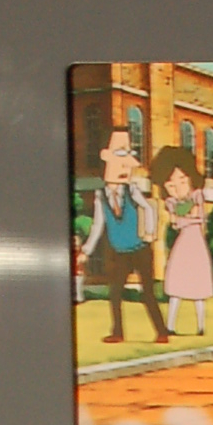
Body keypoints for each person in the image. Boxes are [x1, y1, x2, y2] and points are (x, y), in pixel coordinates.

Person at [80, 127, 168, 345]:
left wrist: (149, 233)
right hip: (120, 252)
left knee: (148, 293)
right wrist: (86, 251)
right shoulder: (101, 196)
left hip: (140, 250)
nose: (126, 169)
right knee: (115, 293)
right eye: (121, 160)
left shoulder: (131, 190)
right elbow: (98, 225)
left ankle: (162, 332)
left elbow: (148, 208)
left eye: (128, 162)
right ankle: (117, 332)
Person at [150, 142, 213, 335]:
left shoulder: (197, 196)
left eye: (182, 181)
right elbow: (175, 221)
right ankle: (170, 326)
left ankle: (201, 327)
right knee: (176, 287)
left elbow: (197, 217)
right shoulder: (171, 202)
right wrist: (183, 219)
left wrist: (184, 219)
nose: (178, 188)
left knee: (198, 290)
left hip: (196, 244)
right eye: (171, 185)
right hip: (183, 244)